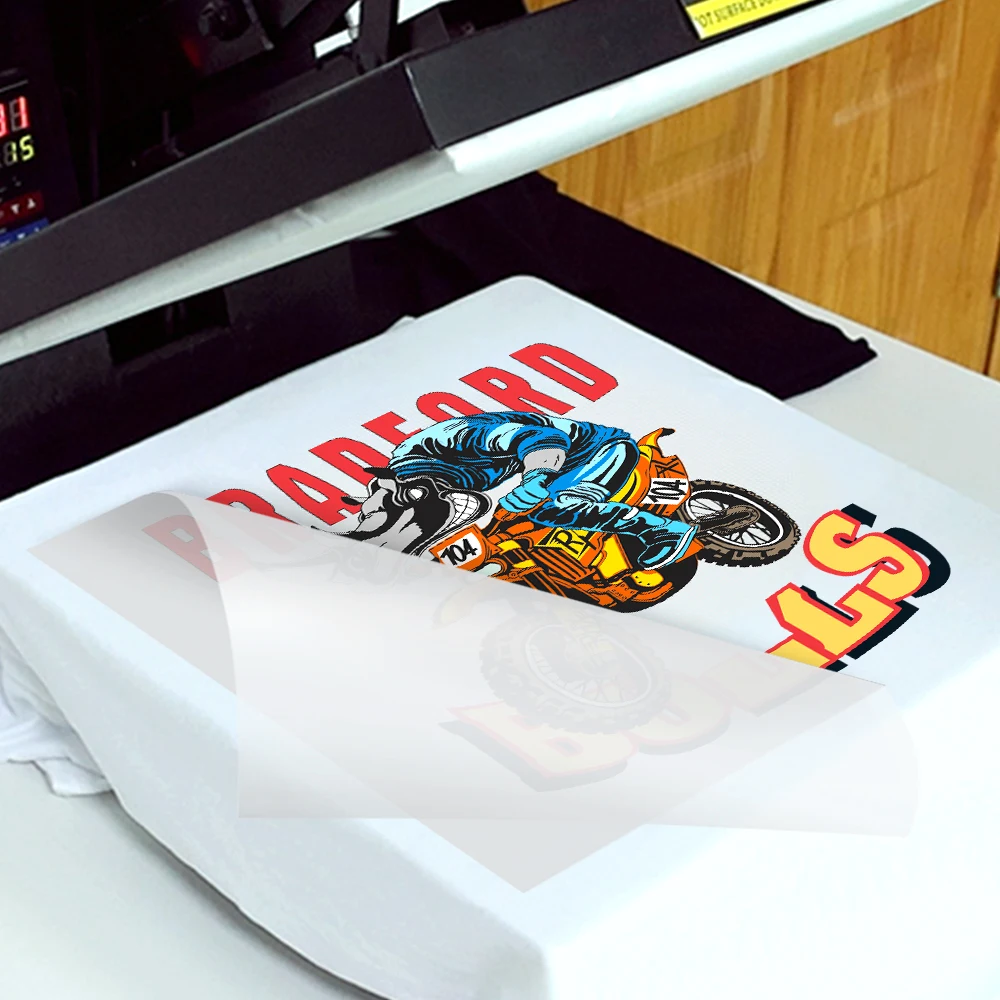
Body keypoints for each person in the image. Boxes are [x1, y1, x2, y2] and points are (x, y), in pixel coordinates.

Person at [385, 411, 698, 570]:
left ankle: (661, 530)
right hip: (563, 467)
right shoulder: (444, 479)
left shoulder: (453, 438)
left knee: (559, 506)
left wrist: (535, 478)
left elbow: (543, 439)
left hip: (597, 451)